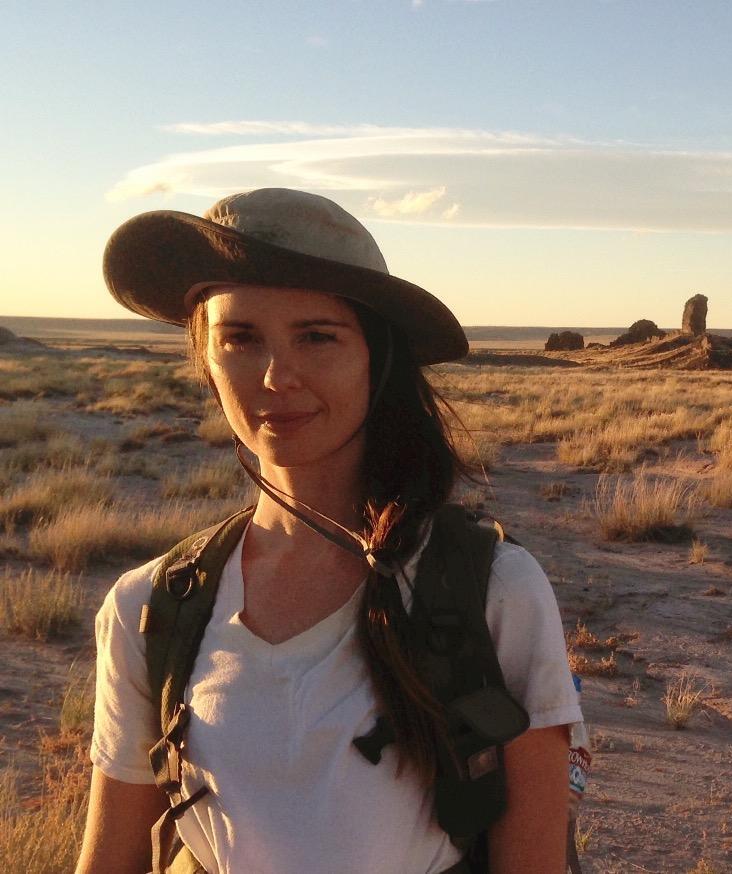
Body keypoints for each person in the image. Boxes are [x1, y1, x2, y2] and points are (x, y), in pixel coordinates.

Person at [76, 188, 587, 874]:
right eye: (239, 338)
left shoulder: (491, 590)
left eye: (317, 336)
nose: (276, 376)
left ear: (378, 357)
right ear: (207, 358)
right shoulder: (152, 609)